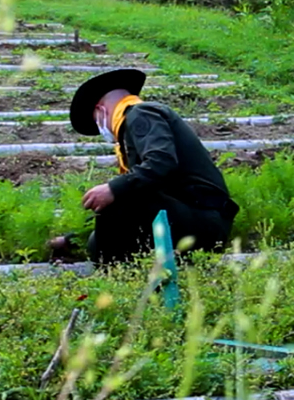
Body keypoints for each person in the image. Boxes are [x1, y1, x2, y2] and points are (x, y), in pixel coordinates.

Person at [51, 68, 240, 265]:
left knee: (119, 202)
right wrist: (73, 238)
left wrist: (113, 189)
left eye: (96, 121)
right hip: (186, 217)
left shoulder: (141, 114)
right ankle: (126, 270)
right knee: (96, 240)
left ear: (101, 110)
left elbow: (161, 162)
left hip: (204, 219)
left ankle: (117, 279)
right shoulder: (131, 127)